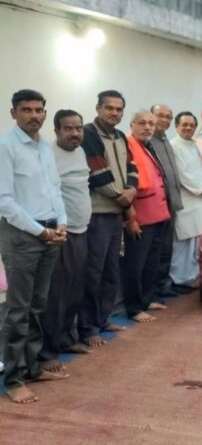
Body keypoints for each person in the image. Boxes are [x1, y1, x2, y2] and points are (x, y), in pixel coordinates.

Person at [0, 89, 69, 403]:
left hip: (50, 232)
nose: (34, 115)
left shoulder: (44, 146)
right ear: (13, 113)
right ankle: (14, 379)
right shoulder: (6, 146)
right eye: (26, 110)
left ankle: (31, 367)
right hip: (22, 236)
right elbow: (5, 202)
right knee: (18, 310)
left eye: (39, 110)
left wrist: (62, 222)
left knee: (39, 305)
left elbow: (55, 189)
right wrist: (41, 232)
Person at [80, 90, 137, 348]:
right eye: (109, 108)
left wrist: (132, 191)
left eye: (118, 109)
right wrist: (123, 198)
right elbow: (97, 174)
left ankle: (103, 320)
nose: (114, 112)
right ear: (98, 108)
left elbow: (132, 168)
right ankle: (88, 328)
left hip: (115, 214)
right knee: (93, 272)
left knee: (111, 271)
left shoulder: (121, 136)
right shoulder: (89, 134)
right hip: (98, 214)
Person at [40, 110, 92, 373]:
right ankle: (47, 353)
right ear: (57, 130)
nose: (75, 133)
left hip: (82, 230)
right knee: (56, 295)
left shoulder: (80, 152)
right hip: (61, 233)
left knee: (75, 289)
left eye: (78, 128)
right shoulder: (48, 154)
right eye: (68, 128)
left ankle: (66, 339)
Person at [121, 110, 172, 324]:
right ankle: (134, 308)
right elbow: (125, 184)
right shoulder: (126, 145)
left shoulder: (147, 146)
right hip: (139, 217)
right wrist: (129, 219)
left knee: (152, 262)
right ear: (132, 124)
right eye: (142, 123)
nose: (148, 127)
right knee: (135, 264)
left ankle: (146, 299)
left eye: (151, 123)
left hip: (158, 214)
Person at [169, 112, 202, 289]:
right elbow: (181, 173)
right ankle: (180, 279)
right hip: (188, 200)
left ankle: (196, 276)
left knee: (200, 241)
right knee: (185, 242)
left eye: (192, 125)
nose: (188, 128)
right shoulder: (173, 146)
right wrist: (201, 189)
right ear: (176, 126)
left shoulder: (199, 143)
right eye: (184, 125)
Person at [148, 102, 183, 298]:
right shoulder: (146, 142)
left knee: (166, 249)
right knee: (153, 251)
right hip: (155, 206)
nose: (164, 120)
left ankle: (162, 286)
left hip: (170, 205)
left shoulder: (166, 141)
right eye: (160, 115)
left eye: (168, 117)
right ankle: (150, 292)